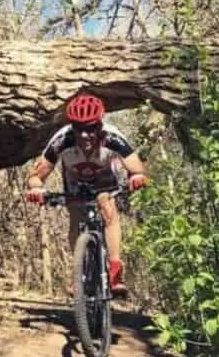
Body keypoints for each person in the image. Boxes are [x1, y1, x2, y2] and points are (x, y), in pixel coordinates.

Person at [24, 94, 149, 295]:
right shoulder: (62, 140)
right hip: (75, 182)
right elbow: (35, 175)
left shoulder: (113, 137)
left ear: (100, 125)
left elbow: (137, 168)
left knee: (108, 207)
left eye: (90, 128)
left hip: (105, 180)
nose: (84, 134)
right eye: (78, 128)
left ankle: (115, 270)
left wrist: (137, 177)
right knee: (75, 213)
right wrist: (37, 188)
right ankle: (79, 272)